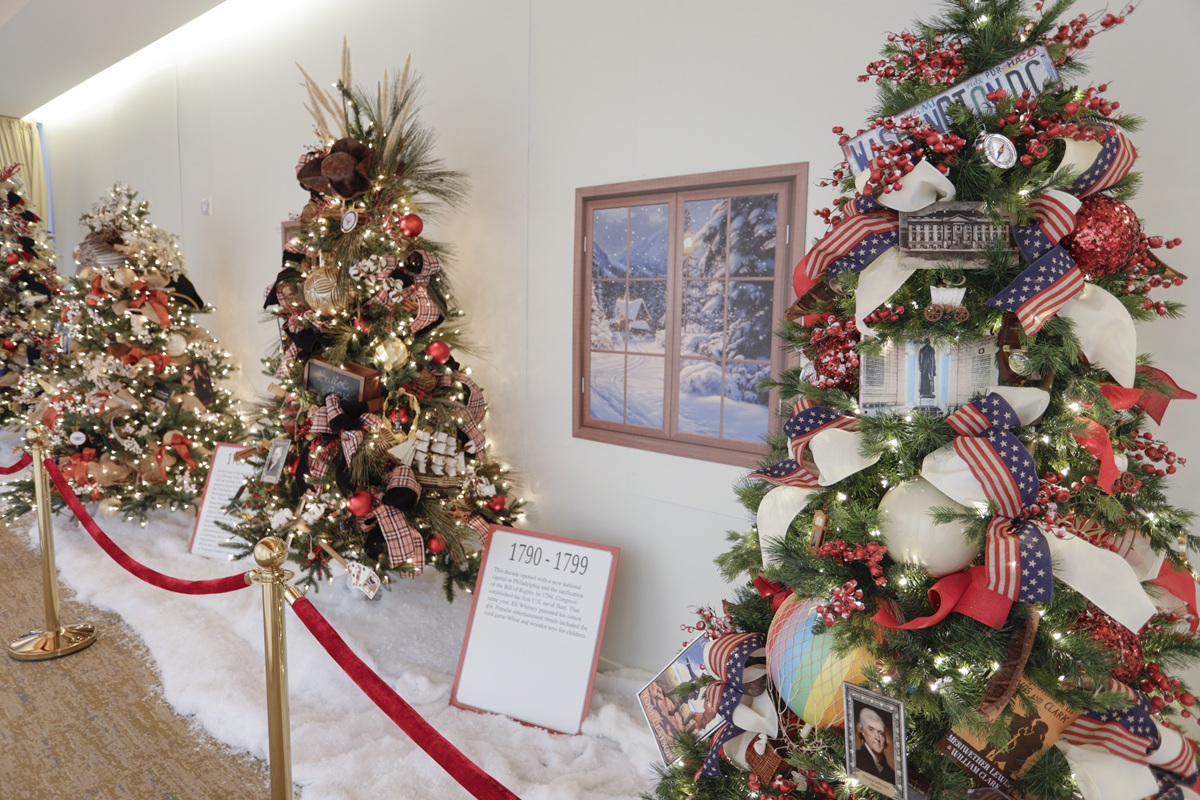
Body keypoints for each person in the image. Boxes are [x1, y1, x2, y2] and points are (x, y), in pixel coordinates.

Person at [854, 704, 895, 784]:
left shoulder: (890, 773)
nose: (877, 738)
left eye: (880, 733)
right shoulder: (857, 759)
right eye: (871, 730)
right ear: (863, 733)